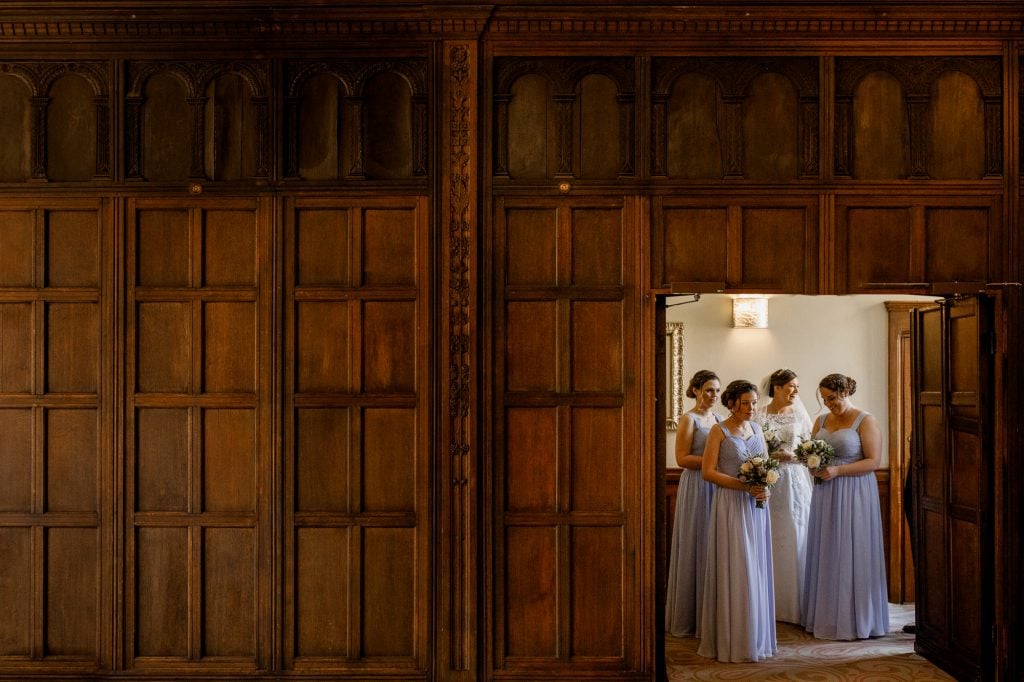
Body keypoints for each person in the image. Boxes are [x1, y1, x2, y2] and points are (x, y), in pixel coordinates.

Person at [801, 373, 889, 640]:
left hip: (856, 491)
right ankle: (826, 617)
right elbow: (810, 451)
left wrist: (838, 470)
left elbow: (873, 462)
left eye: (832, 398)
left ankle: (857, 619)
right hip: (826, 492)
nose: (828, 404)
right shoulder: (821, 421)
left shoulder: (866, 420)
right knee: (828, 548)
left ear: (845, 392)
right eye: (824, 398)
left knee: (853, 547)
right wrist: (812, 465)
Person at [697, 379, 777, 663]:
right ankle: (733, 638)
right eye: (745, 403)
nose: (751, 408)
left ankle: (756, 635)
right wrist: (743, 486)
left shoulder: (757, 429)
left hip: (756, 507)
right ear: (731, 403)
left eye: (754, 402)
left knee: (755, 565)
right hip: (730, 504)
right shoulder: (718, 432)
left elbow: (767, 465)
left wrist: (765, 484)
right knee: (737, 564)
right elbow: (708, 472)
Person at [666, 370, 723, 637]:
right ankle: (691, 616)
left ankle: (714, 613)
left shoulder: (720, 419)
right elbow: (681, 458)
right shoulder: (689, 419)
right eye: (710, 390)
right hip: (697, 485)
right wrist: (712, 462)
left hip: (719, 485)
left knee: (715, 543)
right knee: (696, 541)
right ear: (697, 390)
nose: (714, 396)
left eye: (718, 391)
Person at [757, 369, 814, 624]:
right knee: (769, 534)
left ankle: (795, 604)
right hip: (769, 480)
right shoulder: (759, 415)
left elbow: (811, 452)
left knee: (795, 533)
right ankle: (768, 601)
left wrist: (795, 457)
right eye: (791, 386)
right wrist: (769, 459)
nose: (795, 391)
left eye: (797, 386)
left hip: (795, 481)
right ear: (777, 388)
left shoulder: (801, 416)